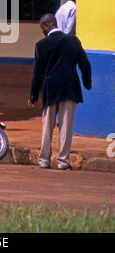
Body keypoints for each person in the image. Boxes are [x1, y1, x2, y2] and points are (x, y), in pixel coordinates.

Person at [28, 13, 91, 170]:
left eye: (42, 28)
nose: (42, 31)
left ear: (48, 26)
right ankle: (63, 161)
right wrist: (87, 83)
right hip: (69, 88)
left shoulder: (41, 45)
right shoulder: (73, 41)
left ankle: (44, 160)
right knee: (66, 127)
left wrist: (33, 96)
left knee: (47, 127)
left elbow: (37, 73)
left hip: (50, 90)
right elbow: (85, 64)